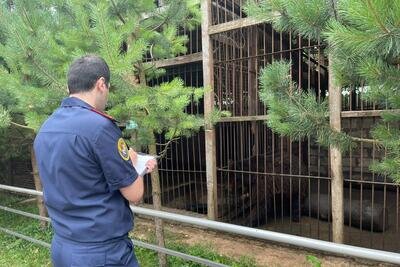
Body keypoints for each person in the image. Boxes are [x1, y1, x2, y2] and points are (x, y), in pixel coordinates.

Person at [34, 55, 156, 267]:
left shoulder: (46, 128)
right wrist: (136, 165)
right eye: (108, 88)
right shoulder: (100, 128)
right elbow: (134, 194)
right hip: (102, 254)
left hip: (63, 247)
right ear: (101, 84)